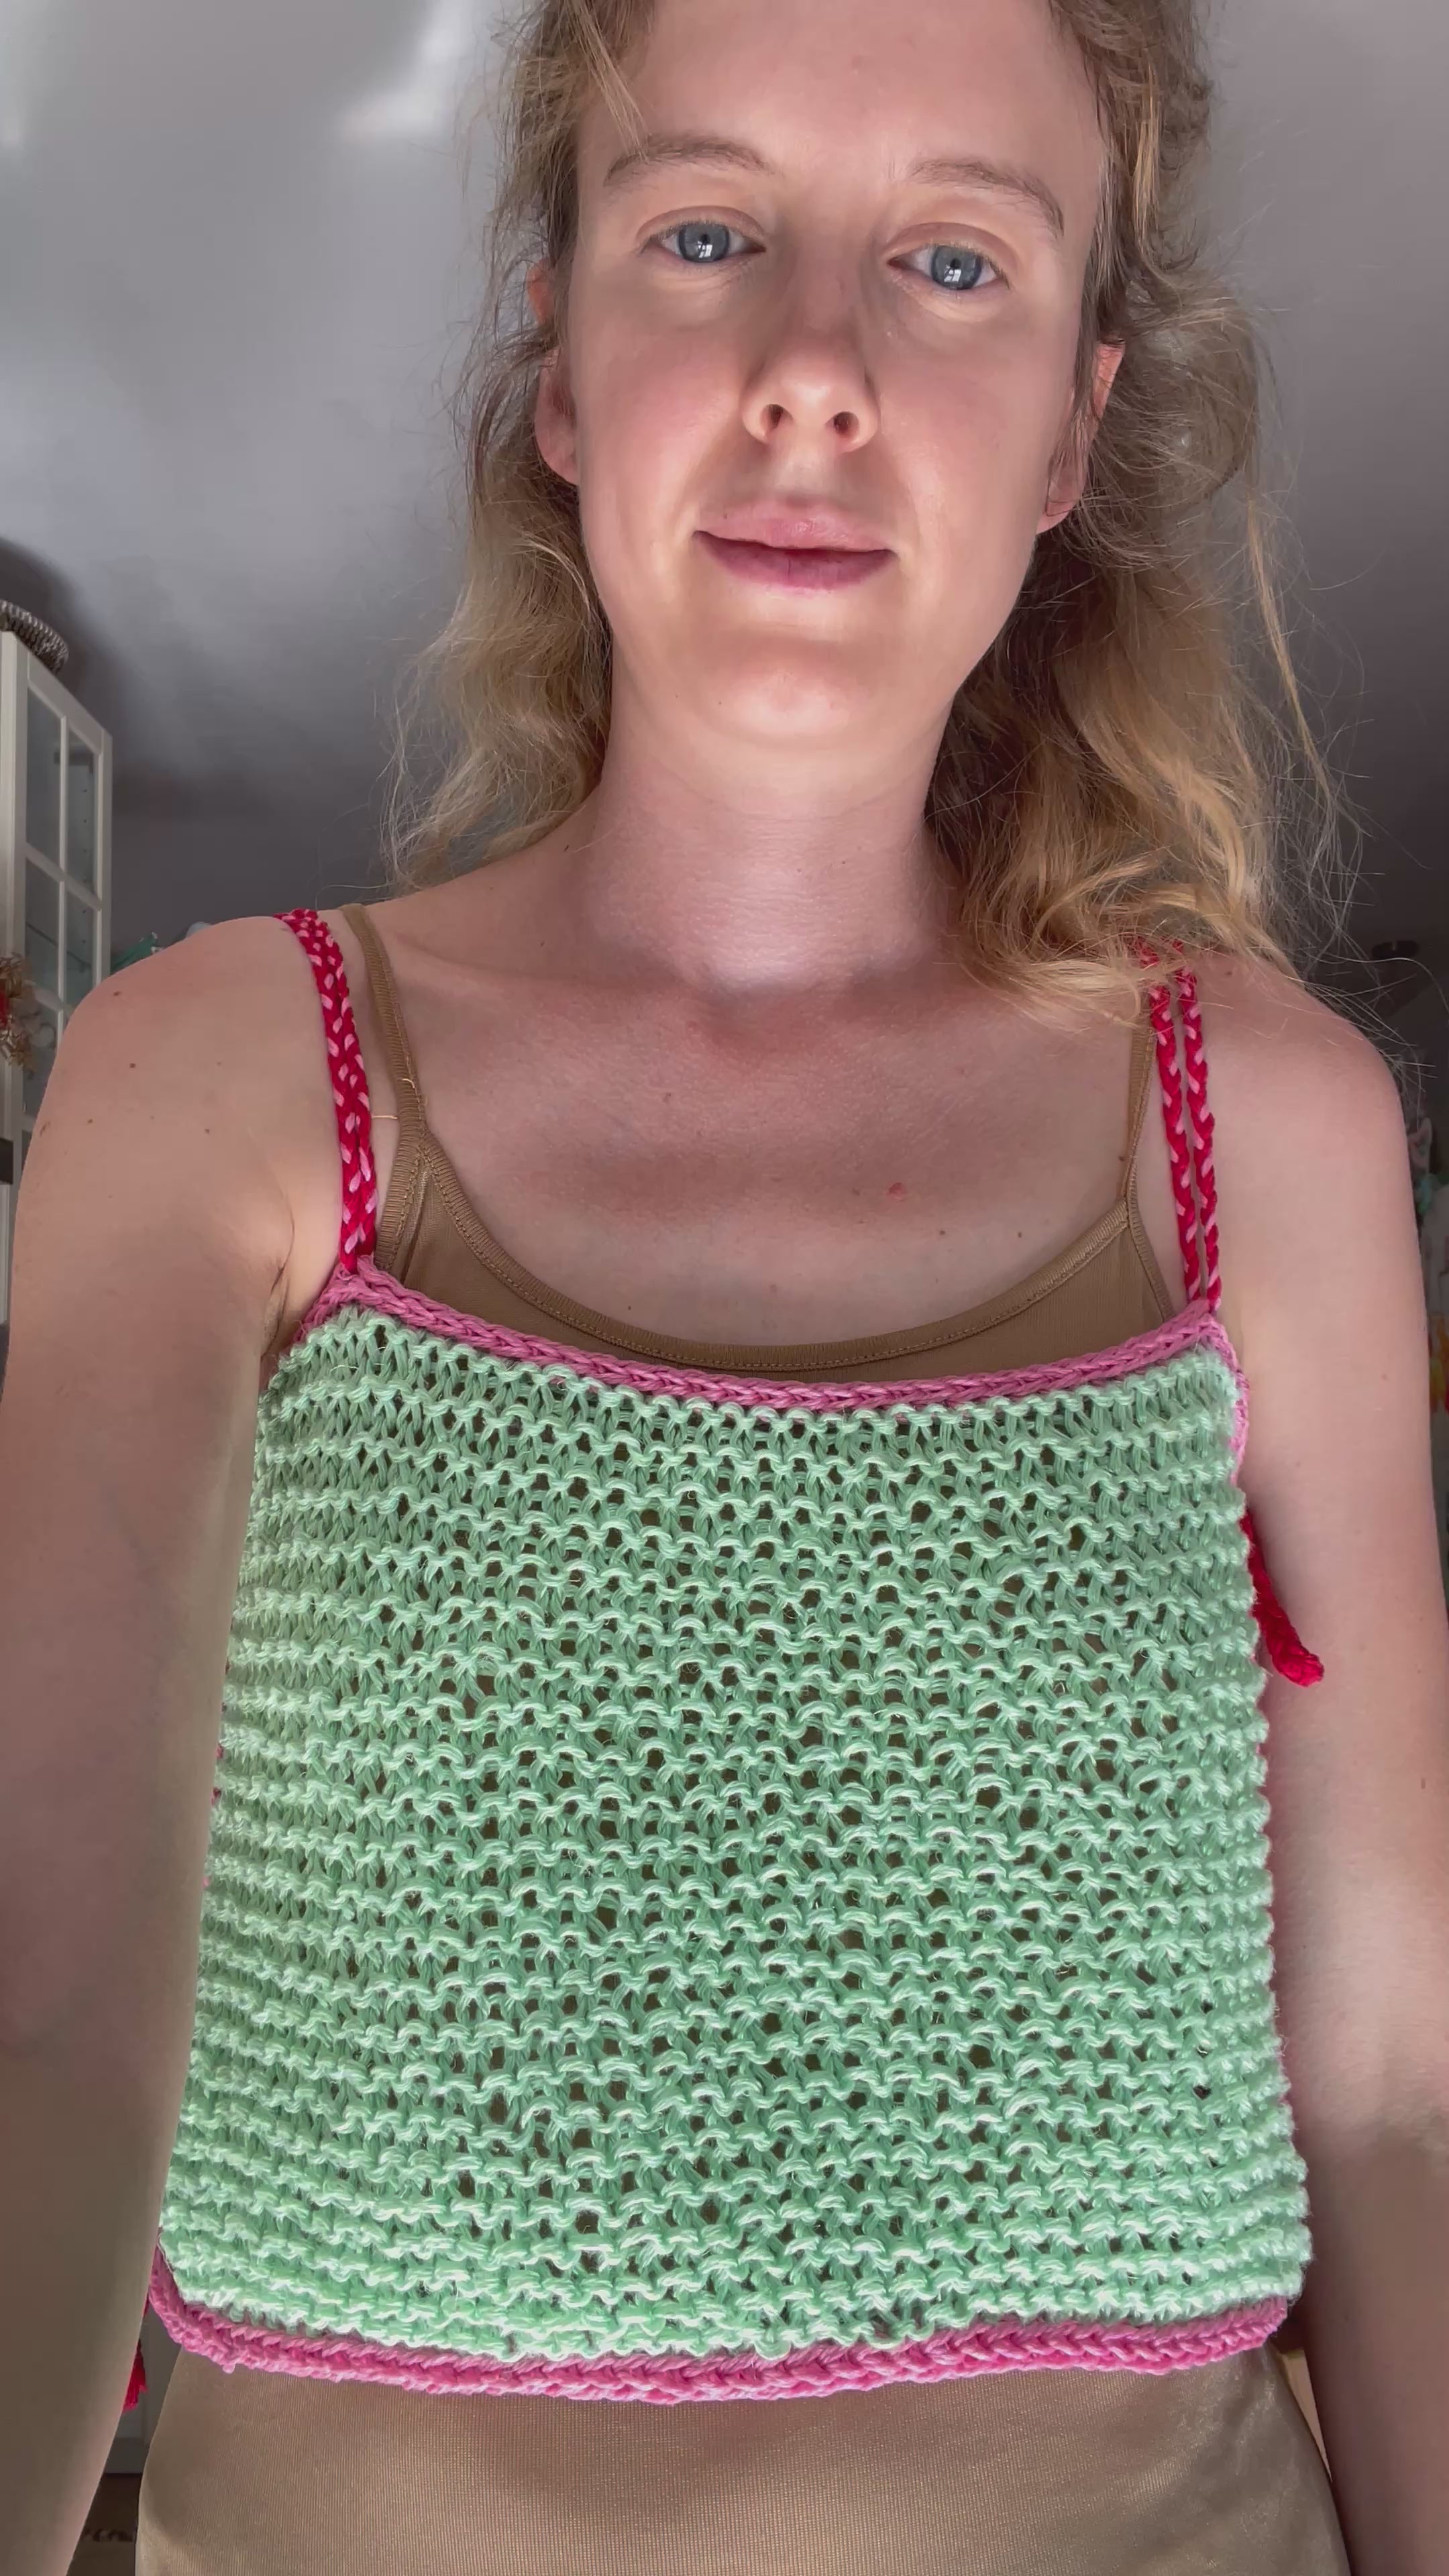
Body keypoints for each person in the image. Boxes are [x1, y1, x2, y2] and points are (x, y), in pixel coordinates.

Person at [3, 0, 1447, 2567]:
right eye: (705, 233)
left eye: (953, 263)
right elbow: (49, 2032)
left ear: (1077, 426)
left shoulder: (1273, 1129)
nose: (815, 368)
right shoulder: (214, 1085)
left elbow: (1394, 2101)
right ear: (561, 366)